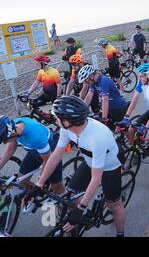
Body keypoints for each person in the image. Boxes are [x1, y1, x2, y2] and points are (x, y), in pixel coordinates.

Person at [25, 96, 126, 237]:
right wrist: (39, 184)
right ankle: (81, 219)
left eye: (57, 117)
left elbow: (96, 178)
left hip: (110, 166)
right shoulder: (67, 129)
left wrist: (80, 208)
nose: (55, 120)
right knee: (71, 192)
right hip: (90, 160)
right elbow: (55, 157)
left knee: (114, 205)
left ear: (66, 121)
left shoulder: (97, 137)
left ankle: (120, 233)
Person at [0, 115, 64, 196]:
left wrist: (40, 180)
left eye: (4, 141)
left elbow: (47, 160)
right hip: (34, 151)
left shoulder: (35, 137)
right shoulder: (14, 127)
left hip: (51, 153)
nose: (5, 143)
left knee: (57, 187)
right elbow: (10, 148)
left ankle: (66, 204)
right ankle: (33, 196)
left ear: (12, 133)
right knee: (22, 181)